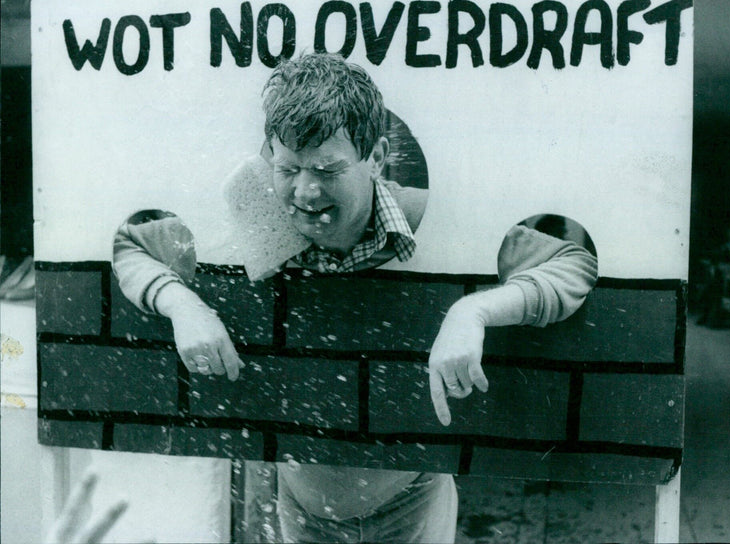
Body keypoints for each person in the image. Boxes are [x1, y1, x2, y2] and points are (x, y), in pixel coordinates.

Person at [113, 53, 598, 543]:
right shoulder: (253, 224)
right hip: (300, 502)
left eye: (327, 168)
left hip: (414, 494)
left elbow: (576, 264)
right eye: (289, 168)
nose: (305, 191)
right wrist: (180, 303)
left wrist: (474, 309)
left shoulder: (429, 219)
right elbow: (127, 244)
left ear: (377, 157)